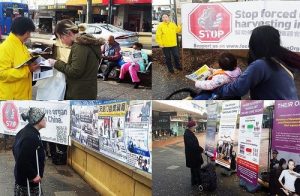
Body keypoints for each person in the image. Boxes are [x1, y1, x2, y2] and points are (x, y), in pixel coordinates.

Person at [216, 25, 300, 99]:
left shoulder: (261, 64)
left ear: (255, 43)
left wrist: (217, 88)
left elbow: (239, 88)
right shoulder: (278, 60)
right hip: (289, 110)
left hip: (277, 112)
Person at [48, 19, 103, 99]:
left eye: (61, 37)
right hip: (88, 90)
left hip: (79, 93)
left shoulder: (80, 46)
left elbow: (75, 72)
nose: (61, 42)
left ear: (69, 33)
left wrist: (56, 63)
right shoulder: (87, 42)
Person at [0, 17, 39, 100]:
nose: (29, 36)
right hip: (11, 100)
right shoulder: (5, 48)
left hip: (23, 97)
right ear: (20, 31)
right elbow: (2, 73)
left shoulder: (22, 45)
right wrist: (27, 70)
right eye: (28, 33)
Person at [13, 108, 46, 196]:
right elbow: (22, 160)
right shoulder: (30, 137)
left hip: (24, 178)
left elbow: (15, 151)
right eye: (43, 118)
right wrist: (33, 175)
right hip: (28, 182)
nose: (45, 120)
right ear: (37, 121)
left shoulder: (27, 131)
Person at [184, 120, 204, 186]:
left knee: (194, 170)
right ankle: (199, 183)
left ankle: (194, 182)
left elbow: (194, 145)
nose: (195, 128)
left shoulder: (189, 133)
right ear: (191, 127)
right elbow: (194, 146)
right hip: (193, 157)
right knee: (197, 170)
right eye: (194, 126)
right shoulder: (188, 134)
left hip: (192, 156)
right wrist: (201, 150)